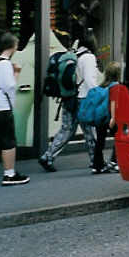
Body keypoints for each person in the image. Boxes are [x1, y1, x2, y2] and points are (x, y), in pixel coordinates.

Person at [37, 31, 101, 172]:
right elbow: (90, 81)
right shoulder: (89, 57)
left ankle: (47, 156)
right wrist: (98, 96)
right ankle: (95, 161)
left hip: (69, 98)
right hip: (84, 100)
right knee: (90, 131)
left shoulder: (73, 55)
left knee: (66, 130)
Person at [0, 32, 30, 185]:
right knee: (8, 142)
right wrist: (17, 73)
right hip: (2, 108)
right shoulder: (4, 64)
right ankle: (9, 174)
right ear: (12, 46)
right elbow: (9, 86)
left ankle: (10, 173)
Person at [89, 61, 121, 174]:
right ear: (118, 74)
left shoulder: (101, 86)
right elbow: (113, 102)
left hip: (100, 118)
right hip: (109, 117)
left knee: (100, 142)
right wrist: (113, 118)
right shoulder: (116, 86)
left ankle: (97, 165)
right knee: (119, 138)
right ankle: (115, 162)